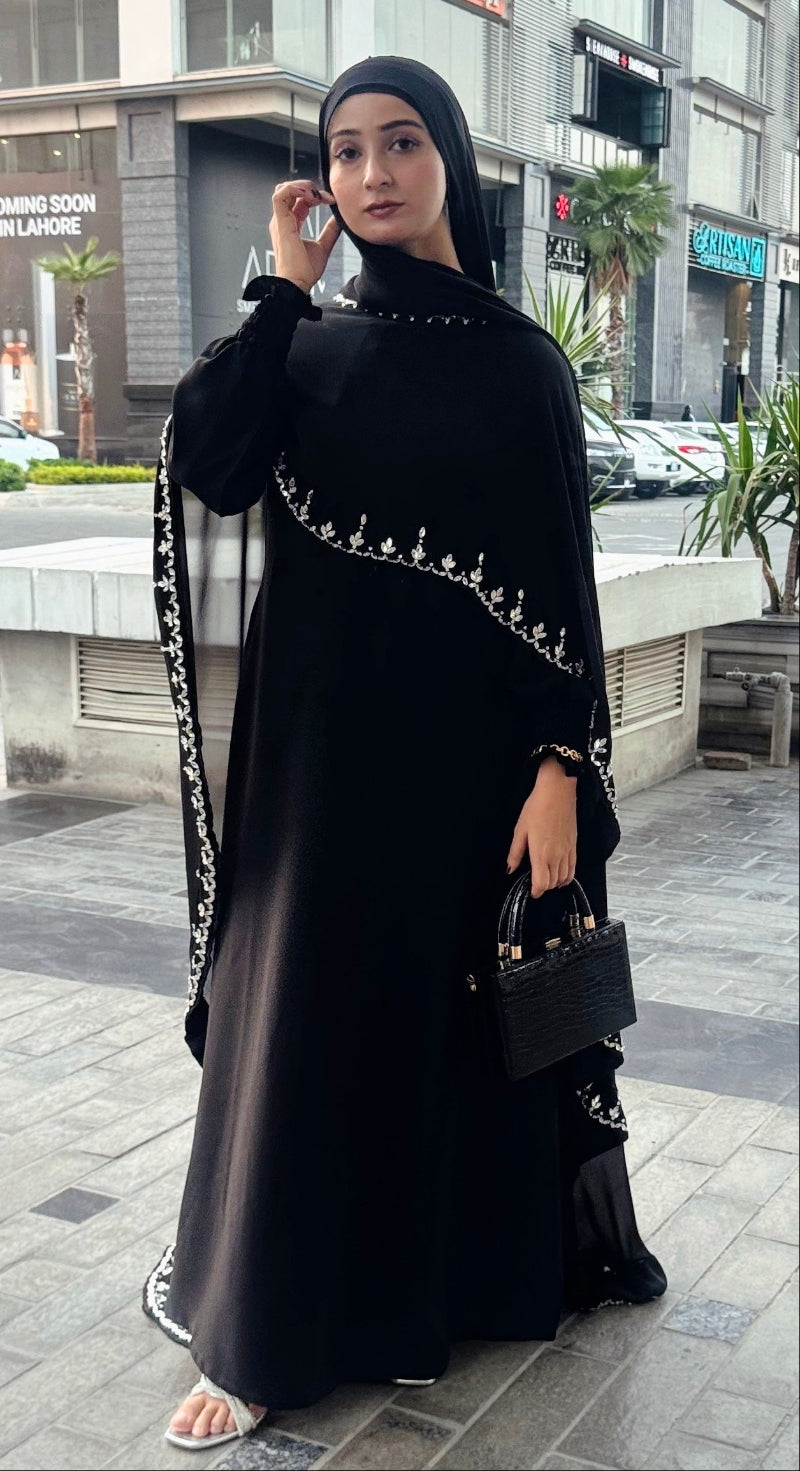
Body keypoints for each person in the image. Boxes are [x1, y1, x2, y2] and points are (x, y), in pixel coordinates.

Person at [142, 55, 667, 1450]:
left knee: (447, 1018)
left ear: (451, 160)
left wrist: (559, 769)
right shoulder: (304, 347)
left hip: (465, 774)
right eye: (347, 148)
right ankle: (267, 1334)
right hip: (316, 771)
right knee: (306, 1019)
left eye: (403, 142)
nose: (374, 173)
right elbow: (211, 461)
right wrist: (281, 288)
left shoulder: (520, 364)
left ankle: (444, 1282)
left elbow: (559, 587)